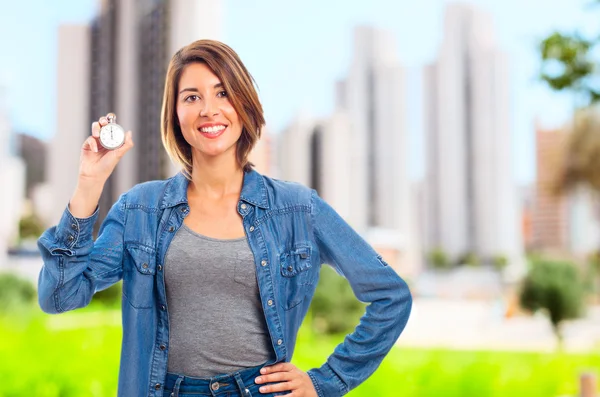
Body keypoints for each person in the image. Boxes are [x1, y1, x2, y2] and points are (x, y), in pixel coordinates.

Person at [37, 39, 412, 397]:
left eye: (222, 93)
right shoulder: (140, 209)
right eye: (192, 97)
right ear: (176, 114)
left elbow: (391, 295)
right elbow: (59, 296)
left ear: (243, 104)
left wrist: (326, 381)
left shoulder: (297, 208)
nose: (209, 110)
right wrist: (89, 184)